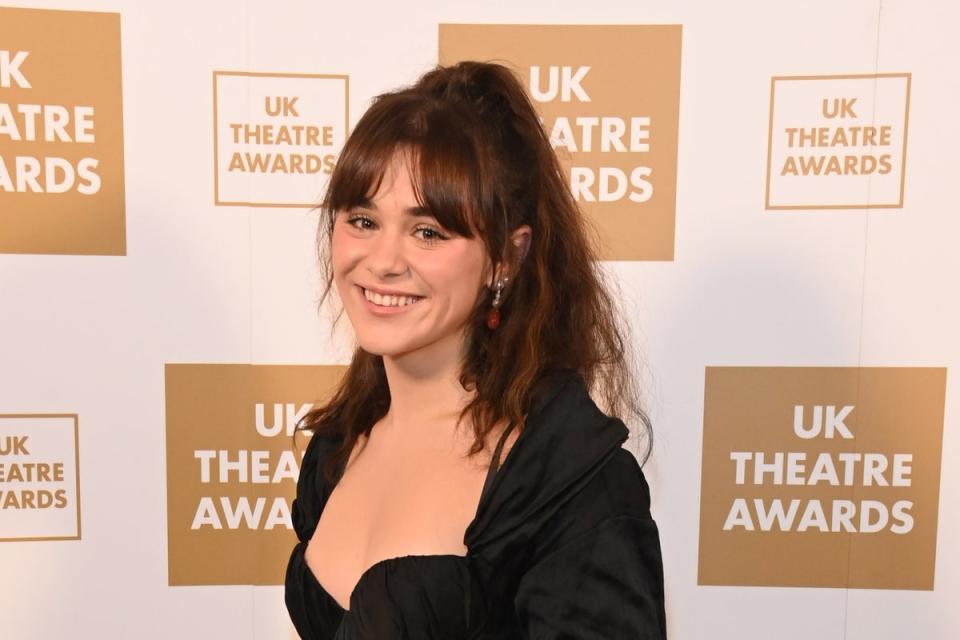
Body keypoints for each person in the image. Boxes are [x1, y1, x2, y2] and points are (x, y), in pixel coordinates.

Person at [284, 60, 666, 639]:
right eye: (362, 220)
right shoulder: (336, 449)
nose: (383, 261)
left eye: (428, 231)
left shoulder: (572, 486)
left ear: (506, 259)